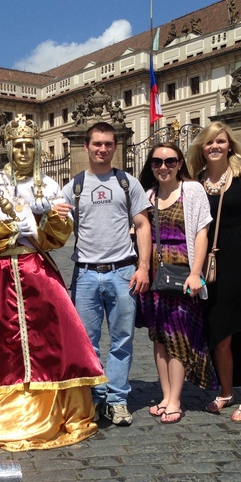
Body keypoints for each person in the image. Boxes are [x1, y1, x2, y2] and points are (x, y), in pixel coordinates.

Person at [0, 115, 106, 451]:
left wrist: (52, 221)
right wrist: (12, 229)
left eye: (29, 145)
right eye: (17, 146)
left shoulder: (50, 186)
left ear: (36, 148)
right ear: (8, 149)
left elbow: (55, 239)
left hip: (36, 269)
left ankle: (53, 406)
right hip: (0, 273)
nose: (23, 151)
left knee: (51, 337)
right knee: (2, 342)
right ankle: (4, 406)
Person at [61, 122, 152, 426]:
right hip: (85, 273)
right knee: (86, 342)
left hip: (123, 270)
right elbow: (56, 227)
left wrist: (143, 267)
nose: (102, 149)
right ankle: (95, 397)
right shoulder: (73, 186)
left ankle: (117, 399)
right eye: (97, 144)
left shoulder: (127, 183)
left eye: (108, 144)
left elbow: (142, 225)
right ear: (86, 147)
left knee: (122, 340)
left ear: (115, 147)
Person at [188, 122, 241, 422]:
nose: (215, 147)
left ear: (230, 145)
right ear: (201, 148)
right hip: (213, 266)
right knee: (219, 332)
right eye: (209, 143)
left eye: (220, 142)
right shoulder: (195, 182)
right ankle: (226, 390)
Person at [137, 143, 216, 423]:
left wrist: (197, 273)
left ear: (180, 163)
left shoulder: (192, 190)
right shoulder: (148, 195)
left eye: (170, 161)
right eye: (157, 162)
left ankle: (175, 399)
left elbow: (202, 233)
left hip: (183, 272)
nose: (163, 167)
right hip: (157, 275)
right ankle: (165, 394)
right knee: (159, 337)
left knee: (179, 334)